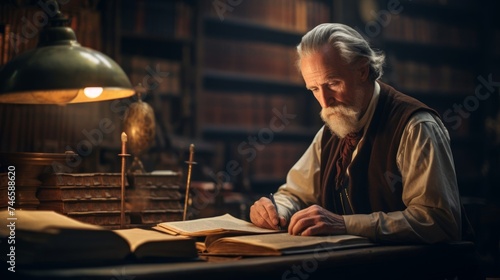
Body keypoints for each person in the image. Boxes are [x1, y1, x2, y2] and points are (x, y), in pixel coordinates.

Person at [249, 23, 469, 244]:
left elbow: (439, 222)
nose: (324, 101)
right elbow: (296, 194)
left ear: (362, 71)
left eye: (333, 83)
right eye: (314, 89)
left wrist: (345, 224)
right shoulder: (331, 131)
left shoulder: (416, 126)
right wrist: (276, 210)